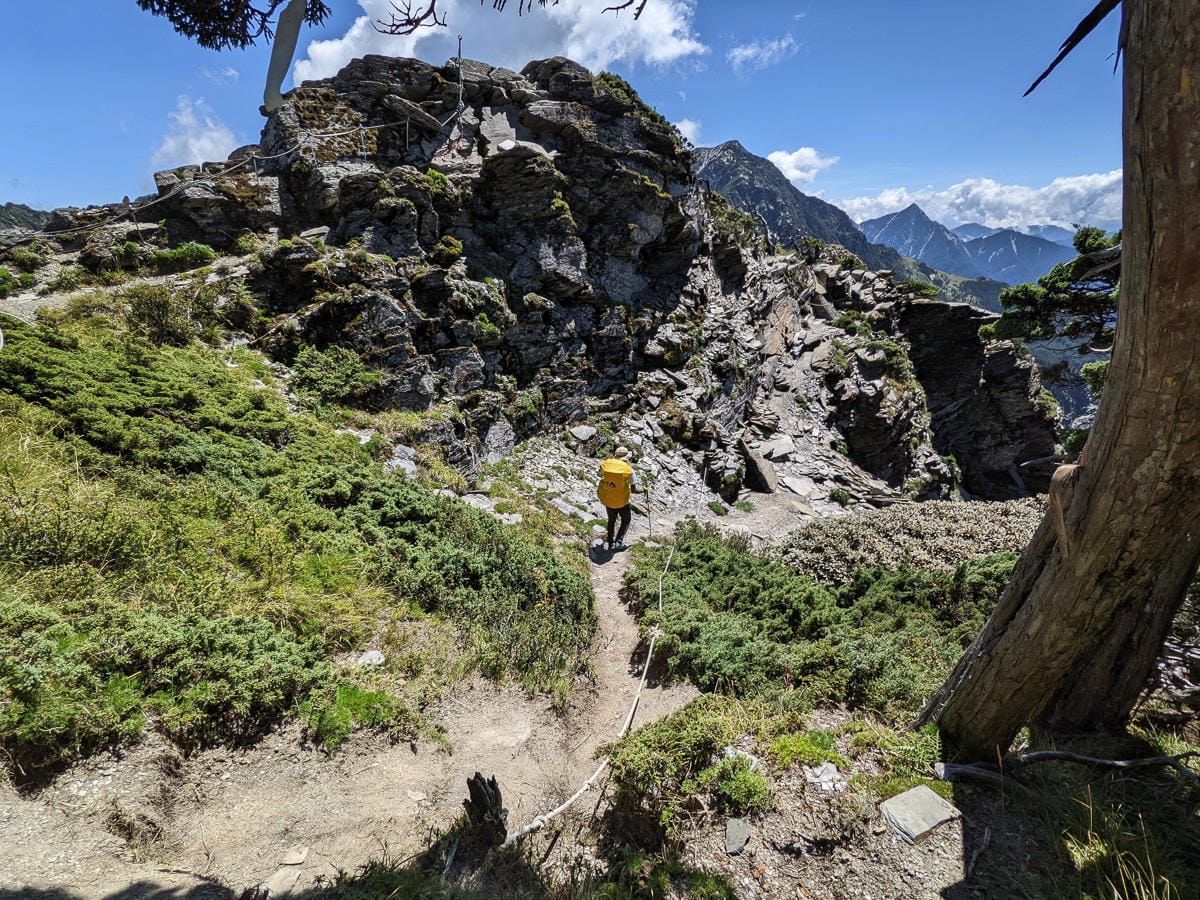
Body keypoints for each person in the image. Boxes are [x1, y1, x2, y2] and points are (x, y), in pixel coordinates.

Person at [596, 446, 641, 552]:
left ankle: (610, 543)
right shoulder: (628, 470)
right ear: (627, 457)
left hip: (609, 498)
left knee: (611, 521)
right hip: (622, 501)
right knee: (626, 520)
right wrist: (644, 490)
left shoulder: (607, 466)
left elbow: (600, 474)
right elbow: (634, 490)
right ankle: (618, 542)